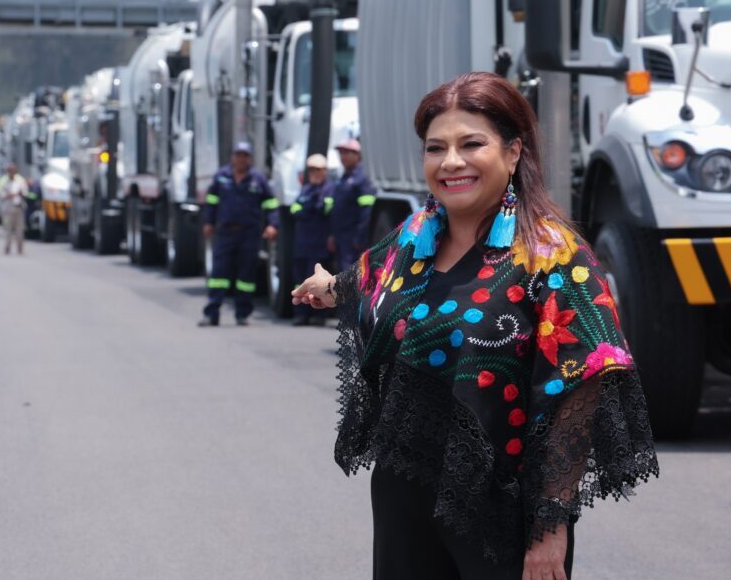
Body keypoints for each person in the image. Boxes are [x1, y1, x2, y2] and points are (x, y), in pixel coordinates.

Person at [292, 72, 658, 579]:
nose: (451, 162)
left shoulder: (554, 256)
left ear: (512, 153)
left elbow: (582, 385)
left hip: (500, 512)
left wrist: (550, 529)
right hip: (403, 498)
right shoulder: (412, 240)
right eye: (435, 148)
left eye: (471, 144)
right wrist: (329, 286)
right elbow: (370, 282)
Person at [199, 142, 279, 327]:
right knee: (218, 274)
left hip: (249, 234)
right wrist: (208, 222)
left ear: (249, 158)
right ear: (232, 157)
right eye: (238, 155)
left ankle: (242, 314)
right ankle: (212, 314)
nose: (241, 159)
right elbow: (212, 201)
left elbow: (271, 203)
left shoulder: (258, 179)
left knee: (246, 277)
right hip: (225, 233)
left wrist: (273, 225)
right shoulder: (221, 177)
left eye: (245, 155)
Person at [291, 153, 335, 326]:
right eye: (312, 170)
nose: (315, 173)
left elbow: (325, 208)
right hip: (302, 242)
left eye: (318, 170)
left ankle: (319, 315)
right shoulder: (306, 189)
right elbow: (295, 210)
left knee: (318, 280)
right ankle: (301, 314)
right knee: (300, 278)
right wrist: (309, 207)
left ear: (325, 171)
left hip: (319, 243)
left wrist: (307, 208)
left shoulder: (330, 189)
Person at [328, 138, 376, 272]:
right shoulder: (342, 178)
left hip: (352, 239)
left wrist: (359, 238)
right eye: (341, 153)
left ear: (357, 155)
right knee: (341, 273)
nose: (343, 157)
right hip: (340, 238)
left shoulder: (362, 179)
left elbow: (366, 211)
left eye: (347, 153)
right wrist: (332, 235)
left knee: (351, 275)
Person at [0, 163, 28, 256]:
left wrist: (20, 193)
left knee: (20, 231)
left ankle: (20, 249)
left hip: (18, 207)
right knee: (8, 230)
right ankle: (7, 248)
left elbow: (25, 192)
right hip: (8, 209)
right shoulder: (3, 181)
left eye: (13, 170)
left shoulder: (20, 181)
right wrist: (9, 195)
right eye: (10, 171)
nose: (11, 172)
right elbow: (1, 195)